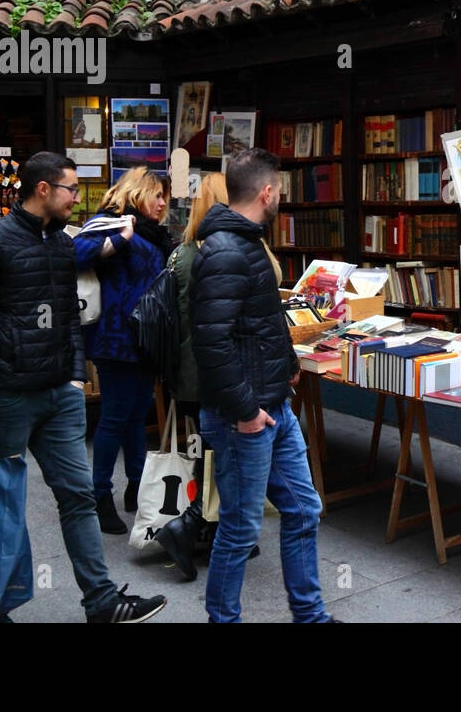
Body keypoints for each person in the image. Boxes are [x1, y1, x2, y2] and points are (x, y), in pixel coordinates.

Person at [0, 151, 166, 623]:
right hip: (6, 396)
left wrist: (73, 375)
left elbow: (70, 315)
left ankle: (102, 602)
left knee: (77, 497)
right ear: (44, 189)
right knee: (2, 504)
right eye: (71, 188)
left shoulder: (61, 244)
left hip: (58, 396)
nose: (77, 197)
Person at [191, 148, 332, 622]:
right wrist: (247, 412)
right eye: (281, 192)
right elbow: (211, 343)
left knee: (302, 509)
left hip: (274, 404)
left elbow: (258, 320)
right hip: (246, 417)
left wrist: (287, 361)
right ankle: (222, 619)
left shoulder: (245, 243)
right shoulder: (228, 251)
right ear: (267, 192)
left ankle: (310, 616)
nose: (281, 201)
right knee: (239, 527)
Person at [74, 165, 172, 534]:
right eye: (157, 195)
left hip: (146, 338)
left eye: (165, 196)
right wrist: (119, 239)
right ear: (137, 193)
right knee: (114, 416)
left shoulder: (155, 234)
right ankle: (100, 496)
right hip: (115, 339)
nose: (163, 203)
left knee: (136, 415)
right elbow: (74, 255)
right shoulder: (111, 223)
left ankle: (136, 486)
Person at [153, 171, 229, 579]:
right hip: (212, 374)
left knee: (209, 453)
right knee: (220, 456)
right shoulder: (218, 254)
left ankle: (211, 531)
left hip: (187, 372)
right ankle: (191, 528)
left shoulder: (182, 253)